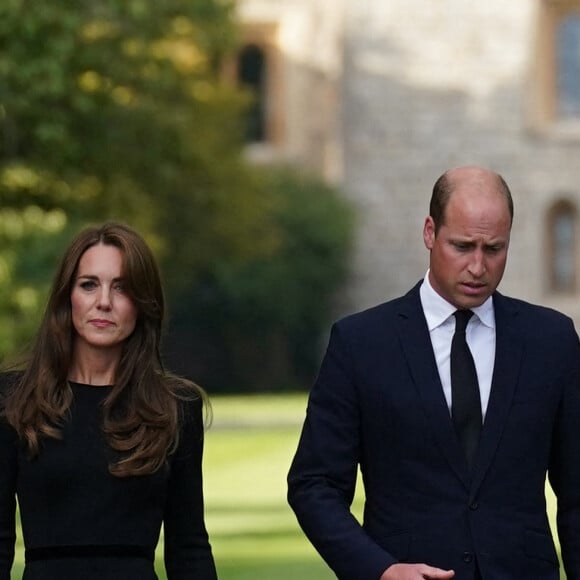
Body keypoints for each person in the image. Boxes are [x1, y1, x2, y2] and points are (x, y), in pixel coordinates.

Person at [287, 166, 580, 580]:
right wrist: (381, 570)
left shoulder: (552, 340)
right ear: (429, 232)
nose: (478, 266)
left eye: (494, 248)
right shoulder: (361, 343)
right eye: (462, 246)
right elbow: (313, 485)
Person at [0, 222, 217, 580]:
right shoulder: (13, 399)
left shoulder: (175, 407)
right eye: (89, 285)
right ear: (67, 296)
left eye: (122, 288)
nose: (103, 302)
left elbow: (189, 547)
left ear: (143, 302)